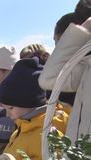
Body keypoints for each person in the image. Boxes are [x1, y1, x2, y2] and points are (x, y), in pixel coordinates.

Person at [39, 14, 91, 143]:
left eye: (58, 43)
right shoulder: (84, 68)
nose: (57, 49)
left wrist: (83, 29)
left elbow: (49, 79)